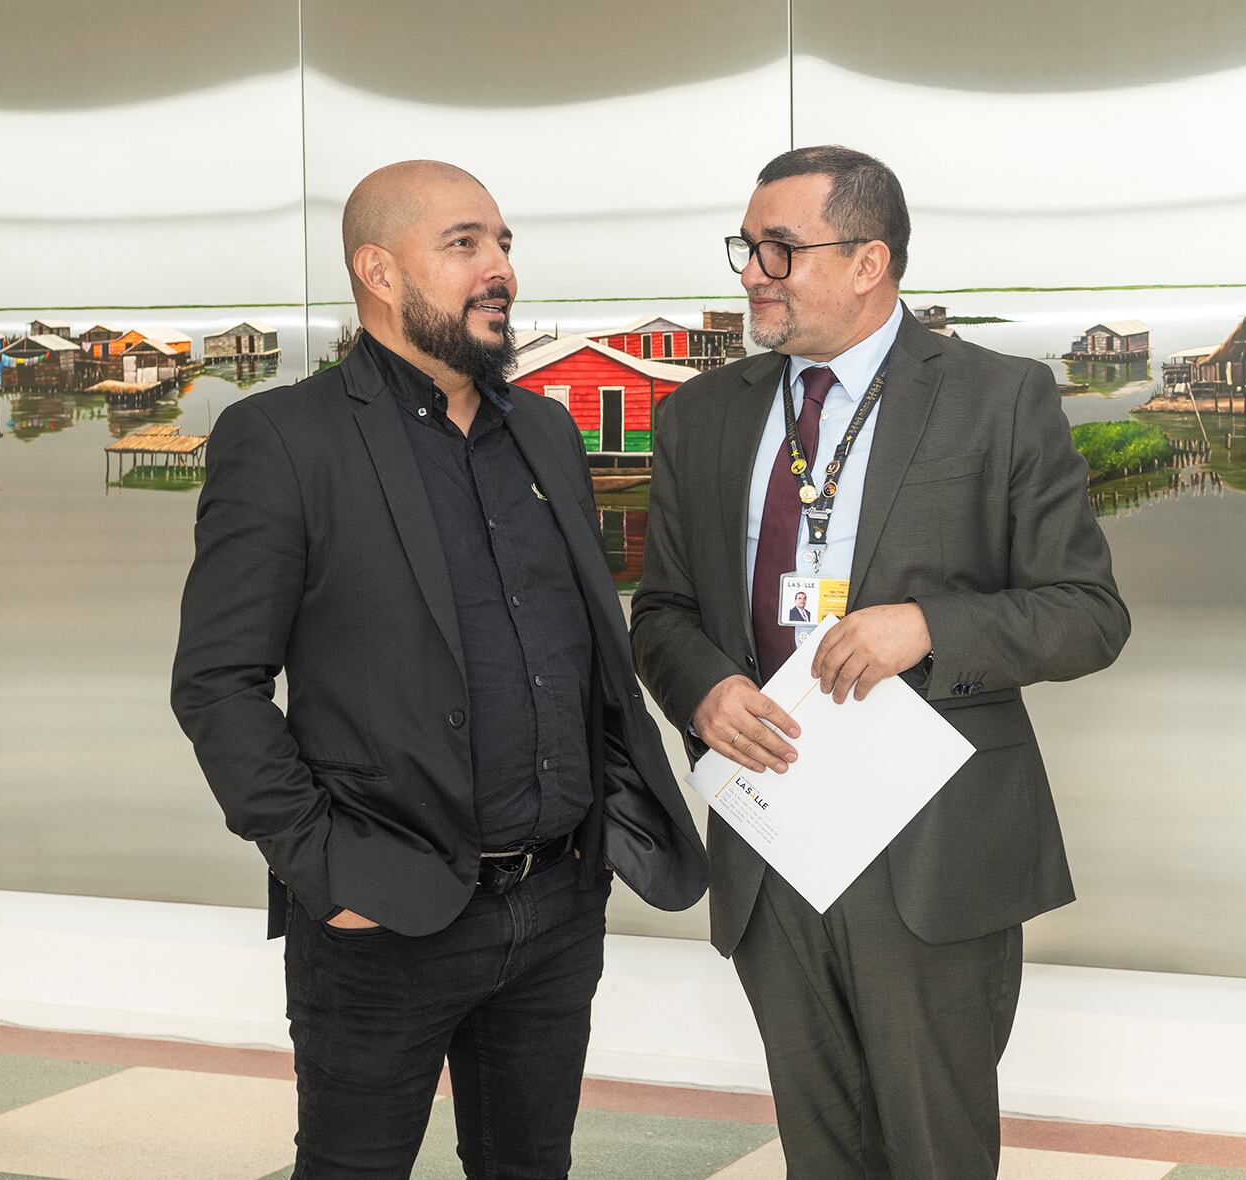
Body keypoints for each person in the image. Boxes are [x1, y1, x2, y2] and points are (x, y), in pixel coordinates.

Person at [171, 159, 706, 1179]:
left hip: (556, 907)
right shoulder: (284, 438)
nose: (498, 267)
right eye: (464, 244)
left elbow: (581, 653)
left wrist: (597, 833)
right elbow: (216, 684)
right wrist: (326, 870)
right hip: (384, 919)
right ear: (378, 271)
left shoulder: (544, 430)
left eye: (502, 243)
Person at [629, 145, 1128, 1179]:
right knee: (821, 1151)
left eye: (780, 248)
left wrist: (929, 627)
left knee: (932, 1152)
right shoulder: (699, 416)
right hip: (770, 837)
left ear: (869, 262)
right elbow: (662, 612)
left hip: (931, 851)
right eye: (745, 247)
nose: (752, 272)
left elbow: (1087, 614)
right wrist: (703, 689)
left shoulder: (998, 398)